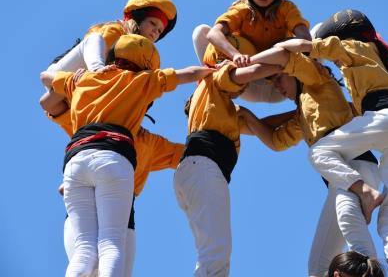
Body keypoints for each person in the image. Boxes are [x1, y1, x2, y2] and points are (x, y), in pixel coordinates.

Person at [41, 34, 213, 277]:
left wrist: (78, 74)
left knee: (83, 250)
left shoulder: (84, 80)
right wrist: (216, 70)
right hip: (113, 158)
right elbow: (189, 74)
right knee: (111, 244)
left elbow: (45, 77)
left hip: (76, 161)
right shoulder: (142, 82)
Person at [271, 9, 388, 277]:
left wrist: (277, 48)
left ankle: (364, 197)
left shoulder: (352, 46)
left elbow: (306, 47)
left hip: (387, 118)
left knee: (320, 151)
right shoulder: (371, 56)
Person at [236, 47, 381, 276]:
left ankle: (371, 271)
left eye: (278, 78)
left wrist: (245, 61)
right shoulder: (301, 115)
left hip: (356, 163)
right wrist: (244, 115)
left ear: (292, 71)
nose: (277, 87)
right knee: (317, 268)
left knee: (347, 216)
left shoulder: (317, 79)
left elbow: (286, 56)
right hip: (340, 177)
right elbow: (275, 140)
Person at [173, 36, 282, 276]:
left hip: (196, 171)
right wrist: (283, 64)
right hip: (204, 168)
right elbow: (242, 74)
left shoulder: (219, 105)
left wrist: (300, 114)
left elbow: (261, 125)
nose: (245, 89)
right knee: (216, 255)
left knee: (214, 254)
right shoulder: (217, 77)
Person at [192, 0, 311, 102]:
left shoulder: (287, 8)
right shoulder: (242, 9)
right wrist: (236, 56)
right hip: (247, 80)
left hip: (278, 83)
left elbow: (305, 36)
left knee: (316, 37)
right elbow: (214, 33)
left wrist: (300, 48)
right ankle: (216, 86)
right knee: (201, 32)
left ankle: (311, 99)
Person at [40, 0, 177, 126]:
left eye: (159, 30)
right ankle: (97, 70)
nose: (155, 31)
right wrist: (97, 72)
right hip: (62, 73)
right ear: (138, 18)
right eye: (153, 23)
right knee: (95, 39)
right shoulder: (117, 31)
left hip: (81, 96)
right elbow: (92, 48)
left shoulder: (145, 56)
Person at [62, 126, 184, 277]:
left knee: (84, 253)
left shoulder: (88, 115)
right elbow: (187, 155)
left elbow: (50, 105)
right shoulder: (148, 141)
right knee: (111, 248)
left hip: (79, 197)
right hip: (121, 213)